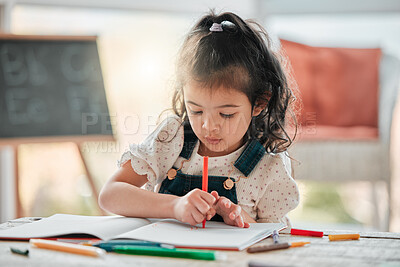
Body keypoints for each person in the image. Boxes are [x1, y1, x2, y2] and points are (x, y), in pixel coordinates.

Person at [99, 11, 300, 228]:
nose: (208, 127)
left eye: (226, 114)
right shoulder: (172, 139)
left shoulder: (269, 168)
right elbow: (110, 194)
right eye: (195, 111)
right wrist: (174, 207)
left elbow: (276, 235)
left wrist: (235, 217)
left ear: (259, 103)